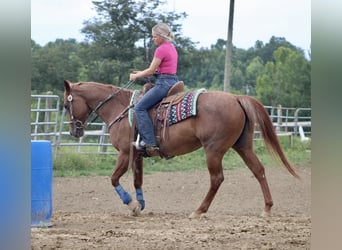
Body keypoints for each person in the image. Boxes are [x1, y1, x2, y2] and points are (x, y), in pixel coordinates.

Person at [130, 23, 179, 151]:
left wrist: (136, 76)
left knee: (139, 108)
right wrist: (142, 73)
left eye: (155, 36)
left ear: (162, 36)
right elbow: (164, 68)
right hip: (173, 81)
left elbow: (151, 70)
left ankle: (149, 141)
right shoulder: (171, 47)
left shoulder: (161, 49)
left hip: (163, 83)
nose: (153, 39)